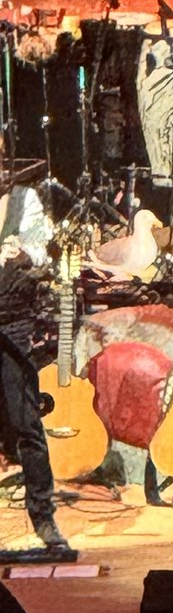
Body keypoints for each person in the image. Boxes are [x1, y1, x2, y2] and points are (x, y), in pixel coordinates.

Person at [0, 185, 76, 562]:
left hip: (13, 321)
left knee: (25, 421)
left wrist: (23, 253)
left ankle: (44, 519)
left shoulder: (22, 200)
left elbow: (44, 255)